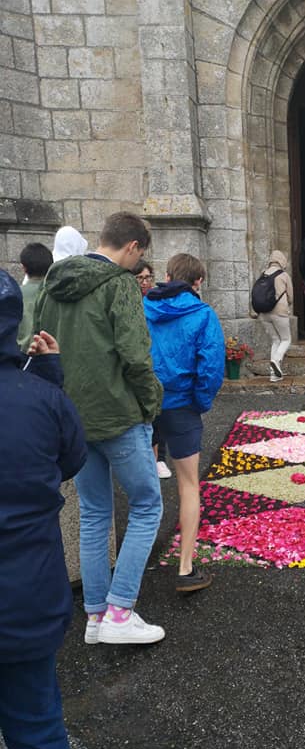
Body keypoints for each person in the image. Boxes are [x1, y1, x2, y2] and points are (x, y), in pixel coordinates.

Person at [34, 211, 165, 646]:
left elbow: (37, 344)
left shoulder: (53, 283)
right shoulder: (119, 284)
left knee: (93, 513)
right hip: (118, 415)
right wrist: (151, 403)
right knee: (148, 505)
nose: (138, 264)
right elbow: (135, 354)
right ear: (132, 247)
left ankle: (94, 616)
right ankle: (120, 610)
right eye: (140, 255)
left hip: (72, 417)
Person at [0, 270, 86, 749]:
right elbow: (68, 459)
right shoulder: (39, 399)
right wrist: (46, 382)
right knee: (34, 729)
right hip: (25, 590)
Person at [144, 253, 225, 592]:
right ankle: (185, 568)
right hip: (181, 406)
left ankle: (138, 557)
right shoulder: (203, 314)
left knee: (144, 484)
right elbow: (210, 366)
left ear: (166, 275)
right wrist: (200, 403)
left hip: (145, 402)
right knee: (188, 484)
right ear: (199, 282)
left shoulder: (143, 307)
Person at [132, 261, 172, 479]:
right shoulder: (127, 302)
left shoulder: (157, 301)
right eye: (140, 278)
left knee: (158, 413)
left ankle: (160, 458)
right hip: (138, 361)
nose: (146, 282)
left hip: (155, 361)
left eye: (148, 277)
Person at [257, 250, 293, 381]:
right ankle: (276, 360)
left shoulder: (263, 274)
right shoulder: (284, 275)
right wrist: (287, 304)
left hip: (263, 313)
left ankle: (273, 375)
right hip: (279, 312)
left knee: (275, 340)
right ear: (282, 260)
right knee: (286, 339)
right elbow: (290, 297)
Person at [16, 242, 53, 351]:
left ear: (24, 268)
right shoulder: (57, 293)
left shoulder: (14, 294)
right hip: (50, 353)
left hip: (20, 358)